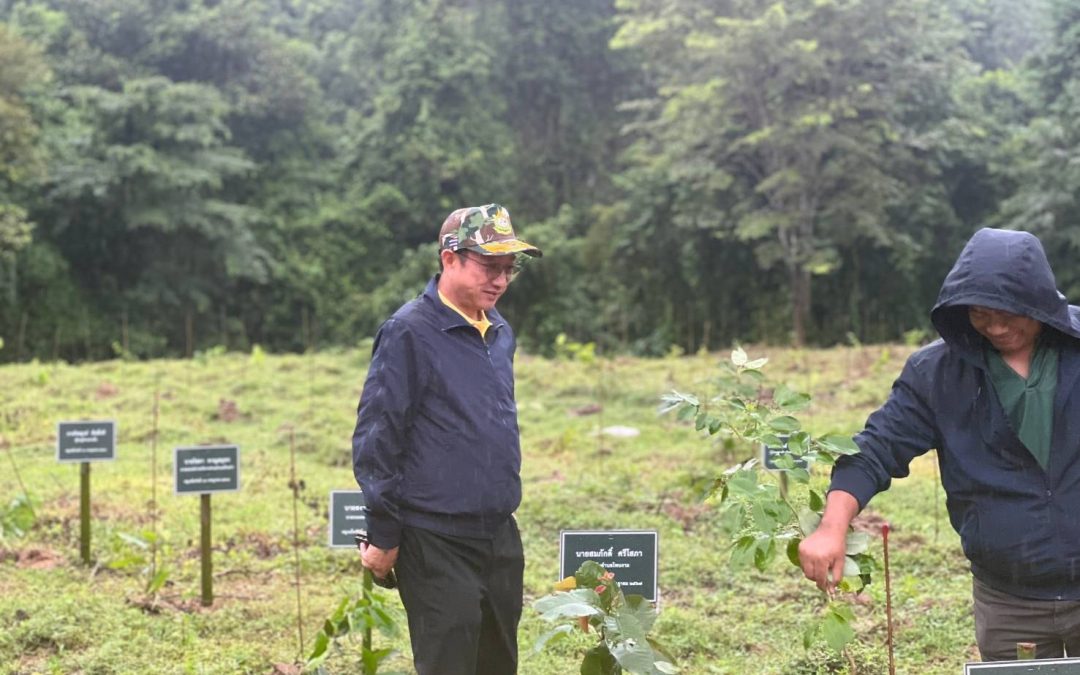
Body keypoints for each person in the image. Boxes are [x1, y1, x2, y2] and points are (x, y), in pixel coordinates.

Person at [799, 227, 1080, 661]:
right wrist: (832, 526)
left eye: (1010, 312)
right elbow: (875, 450)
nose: (997, 327)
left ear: (1040, 300)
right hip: (1010, 600)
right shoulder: (937, 374)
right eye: (981, 314)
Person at [352, 203, 541, 675]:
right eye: (488, 266)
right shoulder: (408, 332)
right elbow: (378, 436)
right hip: (435, 538)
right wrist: (384, 533)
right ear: (449, 258)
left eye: (508, 269)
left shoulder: (499, 332)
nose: (499, 280)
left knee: (498, 663)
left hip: (498, 533)